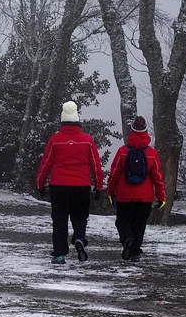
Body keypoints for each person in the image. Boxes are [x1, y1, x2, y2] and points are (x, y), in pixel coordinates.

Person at [35, 101, 104, 264]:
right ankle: (79, 238)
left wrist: (40, 184)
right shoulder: (87, 140)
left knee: (59, 220)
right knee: (80, 217)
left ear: (62, 121)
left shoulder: (55, 140)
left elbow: (45, 164)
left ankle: (59, 253)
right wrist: (99, 186)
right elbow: (95, 165)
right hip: (81, 187)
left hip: (58, 187)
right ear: (77, 121)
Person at [106, 115, 166, 261]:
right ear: (146, 131)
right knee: (140, 224)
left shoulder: (122, 151)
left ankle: (127, 239)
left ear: (132, 130)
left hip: (124, 195)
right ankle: (135, 252)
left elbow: (114, 173)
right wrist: (161, 197)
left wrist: (110, 192)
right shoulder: (151, 153)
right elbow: (158, 177)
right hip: (144, 197)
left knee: (122, 221)